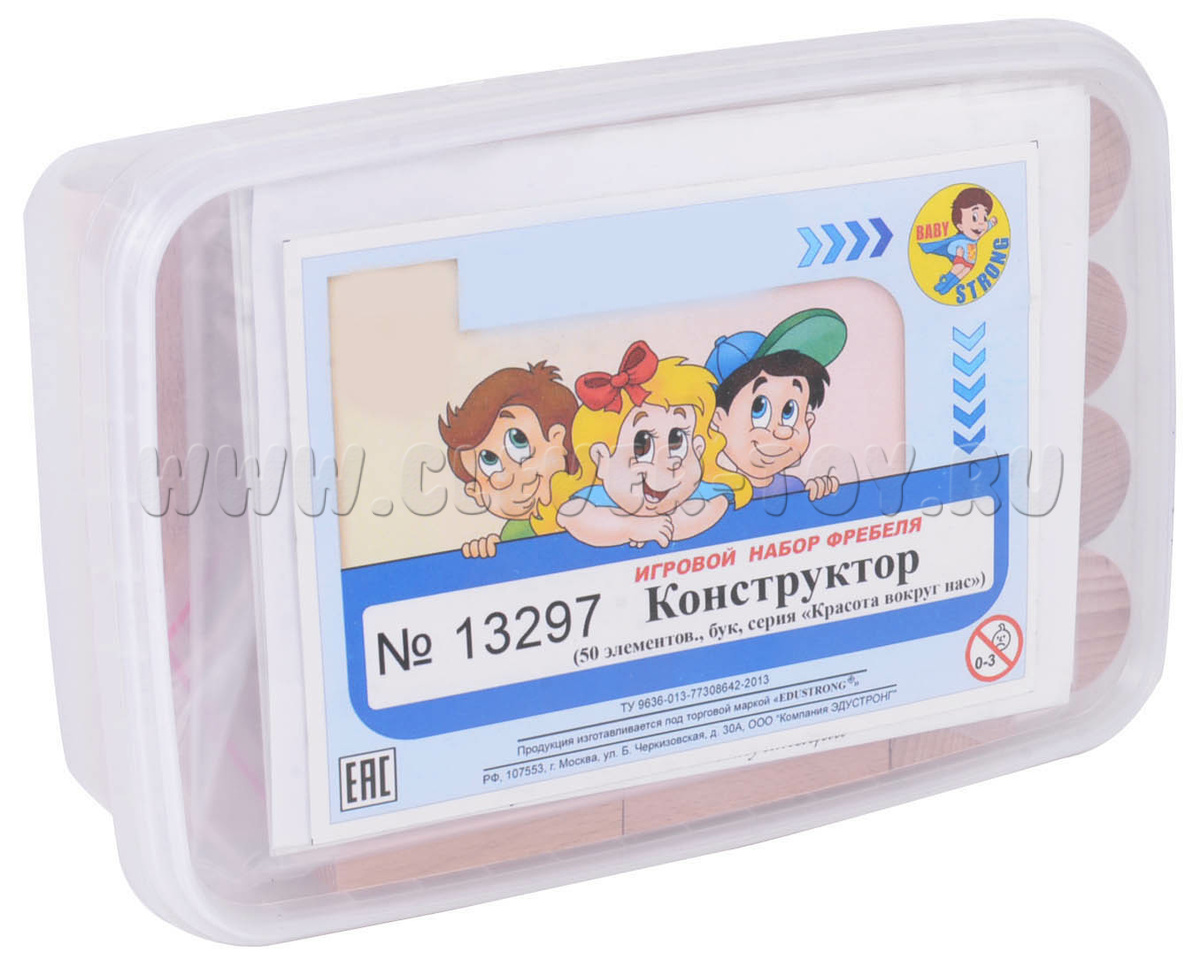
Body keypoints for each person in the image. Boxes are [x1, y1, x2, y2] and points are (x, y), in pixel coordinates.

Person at [536, 341, 749, 548]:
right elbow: (570, 516)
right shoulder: (598, 498)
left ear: (698, 450)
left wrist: (658, 528)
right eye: (642, 445)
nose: (664, 462)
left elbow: (715, 506)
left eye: (677, 440)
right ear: (602, 460)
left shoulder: (698, 493)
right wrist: (630, 528)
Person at [439, 361, 578, 558]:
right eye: (489, 462)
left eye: (519, 441)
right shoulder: (515, 531)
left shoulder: (590, 496)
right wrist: (492, 551)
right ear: (477, 492)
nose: (511, 476)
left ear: (557, 438)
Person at [706, 308, 846, 502]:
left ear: (808, 421)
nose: (782, 432)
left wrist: (819, 495)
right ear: (718, 420)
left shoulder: (794, 487)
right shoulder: (717, 497)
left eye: (790, 411)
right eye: (759, 409)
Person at [920, 186, 999, 295]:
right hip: (960, 258)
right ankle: (944, 282)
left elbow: (985, 229)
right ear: (960, 226)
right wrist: (959, 254)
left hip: (970, 263)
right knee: (958, 269)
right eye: (975, 218)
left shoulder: (976, 235)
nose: (981, 223)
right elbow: (950, 247)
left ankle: (946, 288)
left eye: (984, 217)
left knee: (962, 274)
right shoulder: (959, 240)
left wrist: (991, 223)